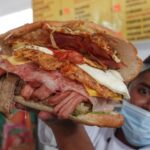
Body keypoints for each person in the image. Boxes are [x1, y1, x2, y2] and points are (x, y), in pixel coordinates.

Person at [38, 56, 150, 150]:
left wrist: (67, 130)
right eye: (143, 91)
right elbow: (50, 135)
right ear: (127, 88)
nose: (148, 105)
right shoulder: (92, 119)